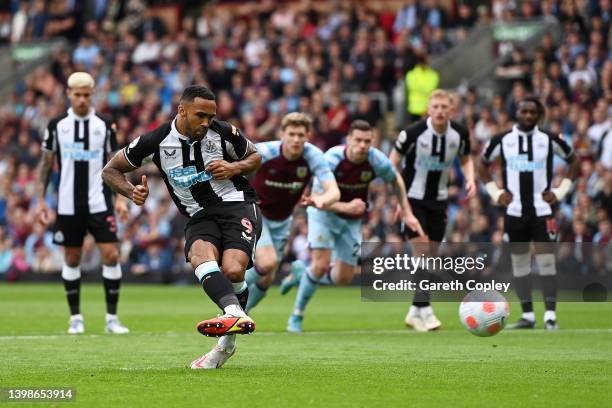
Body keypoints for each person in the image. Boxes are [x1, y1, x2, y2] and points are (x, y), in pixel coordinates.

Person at [102, 85, 262, 369]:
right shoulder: (155, 141)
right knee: (200, 257)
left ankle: (226, 344)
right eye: (200, 115)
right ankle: (234, 314)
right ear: (182, 110)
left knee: (234, 270)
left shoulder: (223, 132)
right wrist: (130, 191)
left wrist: (234, 168)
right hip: (198, 215)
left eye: (211, 116)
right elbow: (110, 169)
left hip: (236, 204)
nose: (206, 122)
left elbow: (255, 157)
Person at [283, 120, 416, 333]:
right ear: (348, 140)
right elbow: (317, 198)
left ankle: (302, 275)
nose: (363, 145)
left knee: (343, 278)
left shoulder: (376, 160)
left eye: (367, 141)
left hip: (352, 220)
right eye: (358, 140)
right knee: (320, 265)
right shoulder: (331, 160)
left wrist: (406, 211)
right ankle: (296, 316)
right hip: (323, 214)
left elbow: (396, 180)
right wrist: (347, 206)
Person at [35, 72, 130, 335]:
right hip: (67, 204)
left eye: (87, 95)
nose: (82, 100)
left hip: (99, 201)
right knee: (72, 257)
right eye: (77, 95)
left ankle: (112, 319)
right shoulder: (57, 125)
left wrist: (121, 197)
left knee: (111, 254)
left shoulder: (104, 123)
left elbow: (118, 163)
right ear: (69, 94)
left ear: (93, 94)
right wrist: (41, 200)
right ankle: (75, 317)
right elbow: (45, 164)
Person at [479, 96, 580, 330]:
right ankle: (528, 316)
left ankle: (550, 316)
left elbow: (574, 162)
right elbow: (482, 165)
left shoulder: (549, 139)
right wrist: (495, 192)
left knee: (547, 262)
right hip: (514, 213)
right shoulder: (503, 140)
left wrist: (561, 190)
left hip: (542, 211)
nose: (528, 116)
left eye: (532, 112)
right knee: (521, 264)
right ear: (517, 112)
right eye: (524, 111)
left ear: (538, 115)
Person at [390, 89, 476, 332]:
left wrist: (470, 179)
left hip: (438, 200)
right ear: (428, 109)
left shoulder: (459, 133)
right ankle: (426, 311)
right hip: (412, 200)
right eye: (435, 106)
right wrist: (399, 199)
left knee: (430, 257)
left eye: (444, 107)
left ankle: (414, 310)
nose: (439, 111)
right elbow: (392, 163)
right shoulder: (413, 133)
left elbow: (466, 158)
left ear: (451, 110)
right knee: (423, 252)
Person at [243, 112, 340, 312]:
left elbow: (334, 191)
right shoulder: (264, 151)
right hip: (255, 211)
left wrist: (320, 199)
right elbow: (234, 163)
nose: (296, 140)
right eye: (292, 134)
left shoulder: (313, 157)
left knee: (267, 278)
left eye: (300, 135)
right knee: (268, 262)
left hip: (282, 220)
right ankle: (229, 295)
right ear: (282, 134)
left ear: (308, 136)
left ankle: (241, 315)